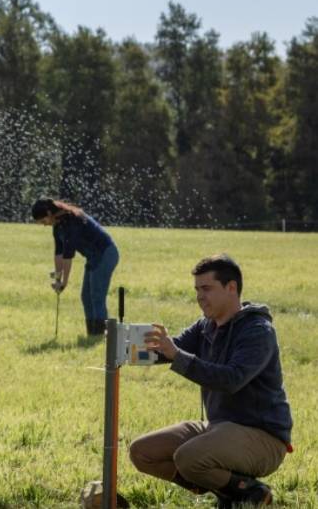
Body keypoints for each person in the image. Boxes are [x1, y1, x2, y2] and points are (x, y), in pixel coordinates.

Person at [129, 254, 293, 508]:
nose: (199, 296)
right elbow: (171, 349)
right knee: (142, 452)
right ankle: (227, 491)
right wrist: (124, 344)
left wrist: (176, 355)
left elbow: (231, 379)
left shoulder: (258, 331)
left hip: (263, 437)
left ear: (231, 288)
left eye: (206, 288)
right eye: (196, 289)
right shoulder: (206, 325)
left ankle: (251, 492)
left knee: (189, 458)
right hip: (219, 427)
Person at [31, 197, 120, 336]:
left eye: (43, 221)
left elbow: (68, 256)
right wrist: (57, 279)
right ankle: (92, 334)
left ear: (49, 213)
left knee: (96, 296)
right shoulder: (57, 226)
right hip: (92, 257)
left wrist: (64, 282)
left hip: (106, 254)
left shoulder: (71, 221)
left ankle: (101, 335)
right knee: (86, 296)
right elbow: (59, 253)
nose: (44, 224)